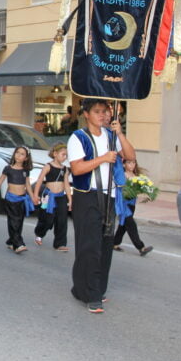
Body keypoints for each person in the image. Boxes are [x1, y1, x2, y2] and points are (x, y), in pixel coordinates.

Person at [67, 98, 136, 314]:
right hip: (87, 196)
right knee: (89, 247)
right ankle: (92, 294)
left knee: (106, 244)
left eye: (104, 111)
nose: (102, 115)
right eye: (97, 111)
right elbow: (77, 169)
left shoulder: (110, 135)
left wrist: (120, 133)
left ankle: (89, 288)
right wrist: (103, 158)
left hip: (110, 196)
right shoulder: (78, 138)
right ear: (86, 114)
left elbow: (130, 156)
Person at [0, 147, 39, 254]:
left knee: (18, 221)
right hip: (11, 199)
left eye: (22, 154)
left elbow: (28, 185)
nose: (19, 155)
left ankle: (11, 241)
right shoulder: (8, 168)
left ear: (26, 158)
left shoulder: (25, 171)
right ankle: (19, 244)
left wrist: (33, 196)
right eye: (17, 153)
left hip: (22, 199)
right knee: (14, 221)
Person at [33, 143, 72, 251]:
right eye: (63, 154)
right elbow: (39, 181)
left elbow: (66, 185)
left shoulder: (65, 169)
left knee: (62, 220)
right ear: (55, 154)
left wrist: (70, 199)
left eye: (66, 155)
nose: (65, 157)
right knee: (47, 219)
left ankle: (60, 244)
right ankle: (39, 234)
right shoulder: (48, 166)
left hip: (61, 197)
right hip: (48, 197)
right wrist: (36, 195)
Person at [113, 158, 153, 256]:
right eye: (129, 163)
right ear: (123, 165)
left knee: (123, 226)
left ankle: (114, 243)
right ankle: (141, 247)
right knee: (131, 225)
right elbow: (122, 190)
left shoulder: (136, 176)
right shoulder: (123, 176)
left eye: (133, 162)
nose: (132, 165)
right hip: (123, 204)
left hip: (131, 204)